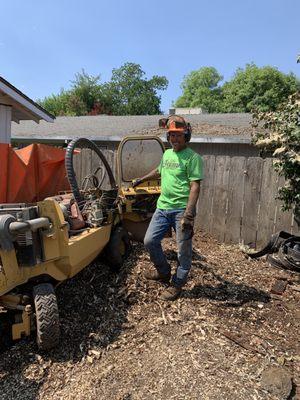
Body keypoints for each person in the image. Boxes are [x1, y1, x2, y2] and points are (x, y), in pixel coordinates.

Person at [132, 115, 204, 301]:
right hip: (163, 207)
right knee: (149, 241)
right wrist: (141, 179)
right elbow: (158, 170)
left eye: (178, 135)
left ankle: (177, 285)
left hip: (182, 210)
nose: (174, 139)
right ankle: (163, 272)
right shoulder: (167, 154)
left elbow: (195, 186)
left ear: (186, 136)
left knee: (183, 252)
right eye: (171, 135)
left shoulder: (193, 158)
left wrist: (188, 214)